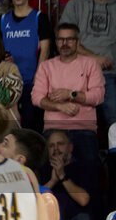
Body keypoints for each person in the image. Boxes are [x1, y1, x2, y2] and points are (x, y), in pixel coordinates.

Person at [31, 22, 105, 169]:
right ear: (56, 42)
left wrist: (71, 94)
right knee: (45, 166)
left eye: (70, 39)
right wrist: (59, 106)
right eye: (60, 39)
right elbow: (36, 97)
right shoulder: (46, 66)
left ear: (78, 42)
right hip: (54, 127)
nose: (65, 43)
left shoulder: (91, 64)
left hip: (84, 127)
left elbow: (98, 96)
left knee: (89, 167)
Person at [60, 0, 116, 128]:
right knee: (74, 122)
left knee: (114, 120)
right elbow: (65, 41)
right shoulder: (75, 5)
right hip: (79, 71)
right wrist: (94, 59)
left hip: (109, 73)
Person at [0, 0, 53, 129]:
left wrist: (39, 74)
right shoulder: (3, 20)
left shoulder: (39, 18)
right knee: (9, 126)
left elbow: (45, 49)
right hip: (9, 83)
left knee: (31, 124)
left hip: (31, 81)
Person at [41, 129, 99, 220]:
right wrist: (52, 181)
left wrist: (62, 175)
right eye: (51, 146)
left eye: (60, 144)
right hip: (51, 218)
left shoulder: (82, 167)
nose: (56, 149)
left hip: (76, 218)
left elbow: (83, 200)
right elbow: (35, 201)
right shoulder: (42, 169)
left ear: (70, 147)